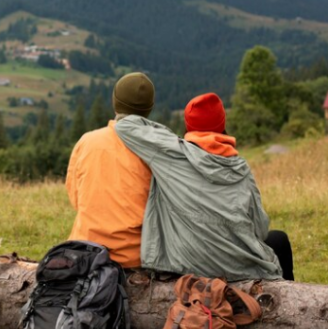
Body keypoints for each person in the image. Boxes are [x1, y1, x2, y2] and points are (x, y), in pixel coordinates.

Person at [114, 91, 289, 281]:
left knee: (278, 239)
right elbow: (260, 230)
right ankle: (290, 301)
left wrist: (173, 138)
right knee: (278, 239)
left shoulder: (171, 155)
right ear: (222, 124)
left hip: (184, 266)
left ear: (189, 125)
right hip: (238, 270)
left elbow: (125, 125)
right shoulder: (241, 169)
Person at [65, 72, 155, 268]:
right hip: (136, 257)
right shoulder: (158, 148)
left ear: (115, 101)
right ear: (149, 108)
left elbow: (76, 199)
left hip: (83, 252)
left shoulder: (87, 141)